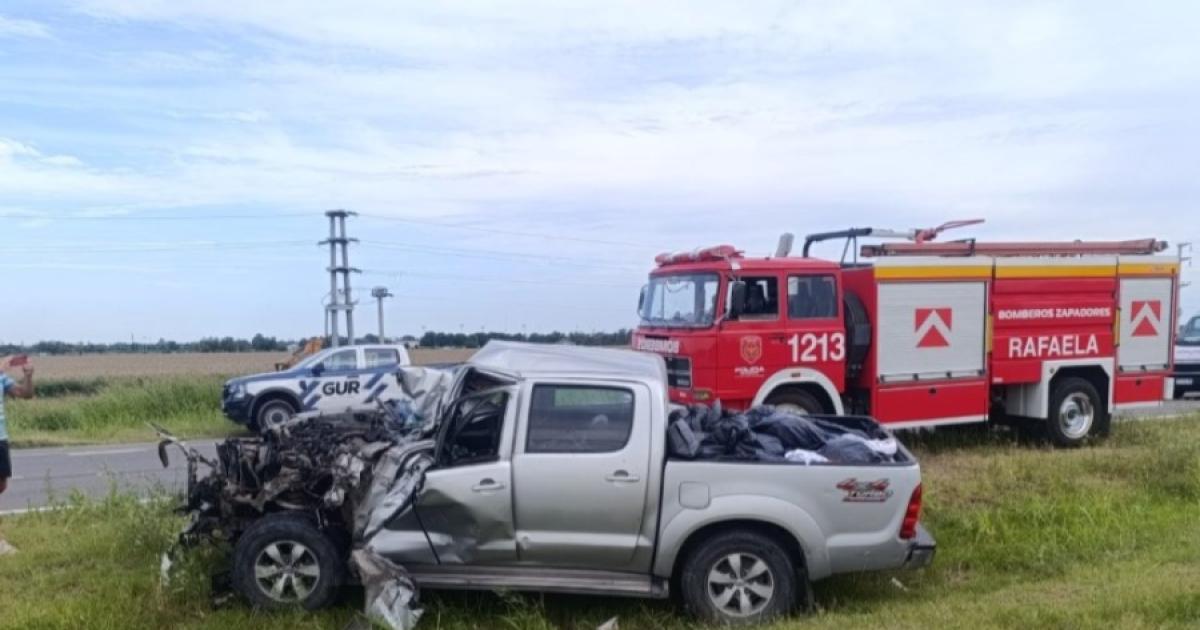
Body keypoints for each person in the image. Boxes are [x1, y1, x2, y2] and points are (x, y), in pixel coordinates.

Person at [0, 358, 35, 496]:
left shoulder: (1, 376)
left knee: (1, 484)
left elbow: (25, 393)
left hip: (1, 437)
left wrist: (28, 376)